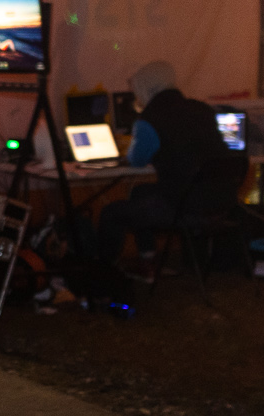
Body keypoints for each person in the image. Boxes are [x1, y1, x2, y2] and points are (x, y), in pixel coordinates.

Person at [96, 60, 248, 280]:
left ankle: (103, 276)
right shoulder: (202, 109)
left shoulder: (149, 119)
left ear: (143, 88)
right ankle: (147, 261)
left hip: (183, 207)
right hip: (221, 204)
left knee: (111, 213)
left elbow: (136, 160)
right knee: (139, 192)